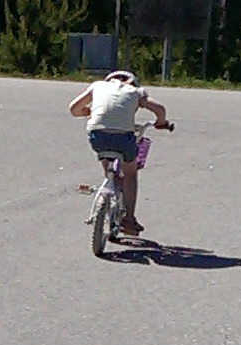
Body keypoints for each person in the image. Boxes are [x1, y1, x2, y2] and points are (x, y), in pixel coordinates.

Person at [68, 68, 171, 235]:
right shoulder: (136, 91)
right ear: (131, 82)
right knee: (130, 174)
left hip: (98, 136)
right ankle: (129, 219)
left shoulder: (98, 86)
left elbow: (74, 108)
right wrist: (161, 123)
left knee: (107, 162)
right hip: (124, 138)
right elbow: (159, 109)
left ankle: (110, 182)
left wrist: (88, 112)